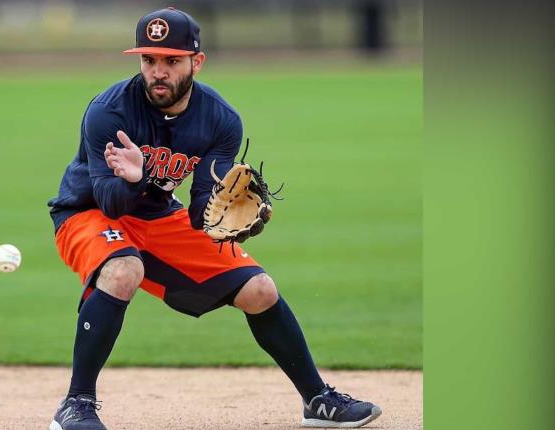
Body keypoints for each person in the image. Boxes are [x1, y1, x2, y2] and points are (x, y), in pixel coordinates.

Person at [46, 7, 382, 429]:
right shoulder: (109, 112)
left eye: (171, 60)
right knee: (123, 269)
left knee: (259, 289)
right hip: (88, 212)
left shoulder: (221, 121)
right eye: (149, 60)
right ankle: (76, 404)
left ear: (196, 62)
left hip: (159, 217)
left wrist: (227, 218)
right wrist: (138, 178)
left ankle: (316, 399)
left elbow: (202, 205)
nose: (158, 72)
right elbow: (112, 201)